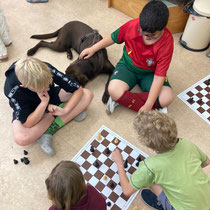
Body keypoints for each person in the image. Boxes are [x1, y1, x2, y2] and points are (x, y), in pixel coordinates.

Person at [80, 0, 174, 114]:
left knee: (167, 97)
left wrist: (149, 104)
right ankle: (148, 106)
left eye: (152, 35)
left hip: (150, 73)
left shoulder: (167, 42)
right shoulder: (132, 25)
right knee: (113, 89)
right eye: (142, 32)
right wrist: (93, 48)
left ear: (163, 29)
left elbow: (159, 77)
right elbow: (113, 37)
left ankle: (124, 99)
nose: (146, 37)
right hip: (127, 67)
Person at [112, 111, 210, 210]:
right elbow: (206, 162)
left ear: (147, 143)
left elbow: (127, 190)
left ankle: (164, 205)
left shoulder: (150, 166)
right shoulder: (186, 144)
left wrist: (119, 163)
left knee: (151, 181)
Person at [4, 57, 93, 155]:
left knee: (87, 94)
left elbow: (78, 89)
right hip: (32, 111)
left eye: (48, 82)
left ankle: (49, 129)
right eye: (41, 88)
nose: (46, 88)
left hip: (52, 97)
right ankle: (59, 116)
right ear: (24, 86)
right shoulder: (11, 90)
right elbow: (27, 123)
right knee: (21, 138)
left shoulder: (45, 68)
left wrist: (66, 110)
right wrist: (44, 103)